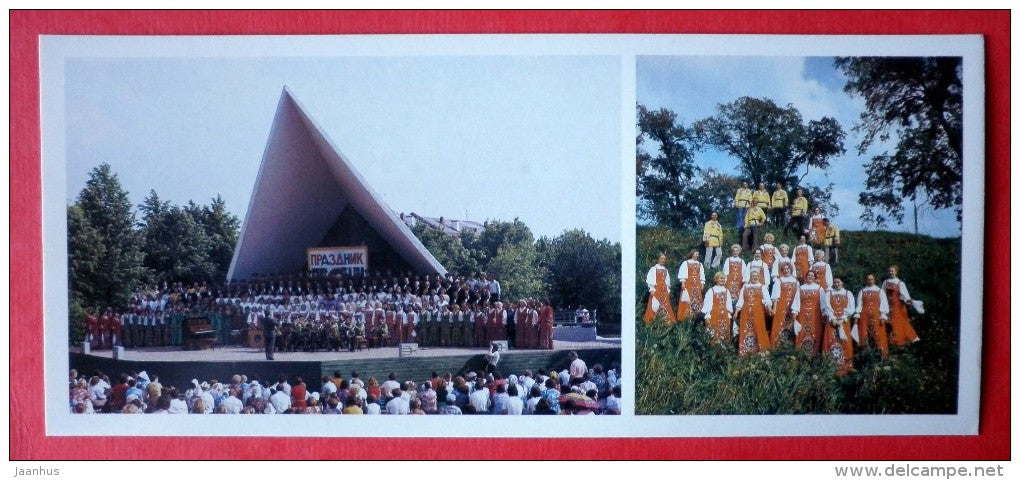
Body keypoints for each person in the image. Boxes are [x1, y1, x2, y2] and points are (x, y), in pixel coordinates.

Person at [733, 270, 772, 355]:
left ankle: (761, 350)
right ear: (750, 277)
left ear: (759, 277)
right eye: (753, 276)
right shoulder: (745, 287)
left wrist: (769, 309)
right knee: (746, 329)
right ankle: (745, 351)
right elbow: (741, 300)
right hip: (745, 312)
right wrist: (736, 312)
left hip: (758, 312)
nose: (755, 277)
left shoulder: (762, 287)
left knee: (759, 328)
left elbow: (767, 300)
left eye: (756, 276)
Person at [823, 277, 855, 376]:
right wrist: (833, 318)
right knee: (831, 341)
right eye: (835, 282)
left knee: (844, 341)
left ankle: (846, 366)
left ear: (842, 283)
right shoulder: (829, 293)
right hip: (832, 321)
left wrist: (842, 319)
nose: (837, 284)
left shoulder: (848, 293)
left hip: (843, 321)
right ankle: (831, 365)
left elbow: (851, 308)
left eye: (838, 282)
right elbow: (827, 306)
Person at [853, 273, 890, 357]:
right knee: (863, 334)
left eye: (871, 279)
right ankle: (864, 355)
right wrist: (857, 315)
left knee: (878, 334)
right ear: (866, 280)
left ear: (874, 280)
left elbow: (884, 304)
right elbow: (859, 305)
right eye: (868, 279)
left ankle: (881, 356)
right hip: (864, 317)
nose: (870, 281)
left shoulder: (880, 291)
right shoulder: (862, 291)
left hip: (877, 316)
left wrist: (883, 316)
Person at [883, 265, 921, 346]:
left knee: (899, 323)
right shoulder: (885, 282)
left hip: (898, 307)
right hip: (888, 306)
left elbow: (905, 295)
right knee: (889, 323)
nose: (891, 272)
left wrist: (908, 300)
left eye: (892, 271)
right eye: (889, 271)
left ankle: (899, 342)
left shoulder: (900, 283)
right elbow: (882, 294)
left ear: (896, 272)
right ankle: (890, 342)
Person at [795, 270, 827, 355]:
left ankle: (814, 354)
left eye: (812, 276)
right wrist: (795, 312)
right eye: (808, 275)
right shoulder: (801, 288)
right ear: (806, 277)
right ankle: (801, 354)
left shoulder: (819, 289)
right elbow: (797, 301)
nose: (810, 277)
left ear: (815, 278)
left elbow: (823, 303)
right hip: (802, 314)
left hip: (815, 314)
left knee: (815, 332)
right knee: (802, 332)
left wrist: (823, 314)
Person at [769, 263, 800, 346]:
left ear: (791, 269)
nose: (786, 271)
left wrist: (796, 310)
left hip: (792, 306)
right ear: (782, 271)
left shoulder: (796, 281)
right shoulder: (779, 280)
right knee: (779, 324)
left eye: (788, 269)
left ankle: (790, 345)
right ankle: (777, 345)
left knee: (791, 324)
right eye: (784, 269)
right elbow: (775, 296)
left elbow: (798, 296)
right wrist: (774, 308)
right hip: (781, 306)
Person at [700, 271, 733, 343]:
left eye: (724, 278)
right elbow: (708, 305)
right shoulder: (711, 290)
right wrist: (707, 317)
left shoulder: (727, 291)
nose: (723, 280)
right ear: (716, 279)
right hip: (714, 314)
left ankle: (723, 350)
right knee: (713, 333)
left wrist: (729, 315)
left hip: (724, 315)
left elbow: (728, 305)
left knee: (724, 333)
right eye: (721, 278)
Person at [643, 253, 675, 324]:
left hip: (664, 291)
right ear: (658, 259)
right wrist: (651, 289)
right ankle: (652, 322)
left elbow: (667, 282)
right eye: (661, 258)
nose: (663, 260)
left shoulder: (666, 270)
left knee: (665, 304)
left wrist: (668, 291)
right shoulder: (654, 269)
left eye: (664, 259)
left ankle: (665, 322)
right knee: (655, 304)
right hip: (656, 290)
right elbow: (650, 279)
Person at [675, 250, 705, 322]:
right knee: (687, 299)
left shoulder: (699, 264)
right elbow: (683, 273)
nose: (697, 255)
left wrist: (702, 283)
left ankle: (696, 316)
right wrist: (683, 282)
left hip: (697, 284)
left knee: (697, 299)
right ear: (692, 254)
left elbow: (702, 274)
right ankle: (686, 317)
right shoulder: (686, 263)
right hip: (688, 284)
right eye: (695, 254)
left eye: (698, 254)